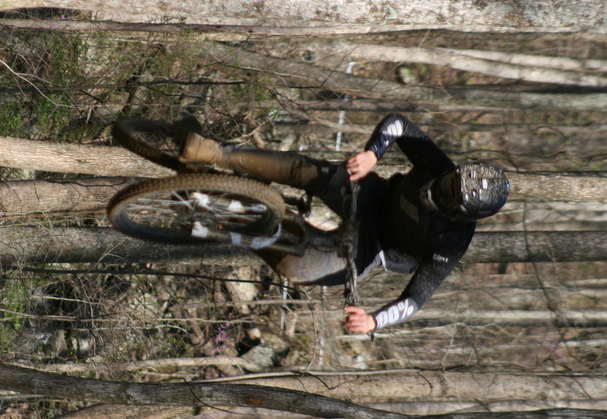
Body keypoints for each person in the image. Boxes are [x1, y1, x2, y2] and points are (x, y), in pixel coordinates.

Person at [175, 113, 509, 335]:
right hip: (372, 195)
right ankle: (216, 152)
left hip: (372, 248)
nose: (440, 187)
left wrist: (373, 321)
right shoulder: (437, 163)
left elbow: (416, 299)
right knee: (308, 173)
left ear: (462, 214)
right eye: (449, 179)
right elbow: (400, 124)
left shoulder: (453, 242)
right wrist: (374, 153)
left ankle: (254, 217)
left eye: (449, 195)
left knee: (296, 269)